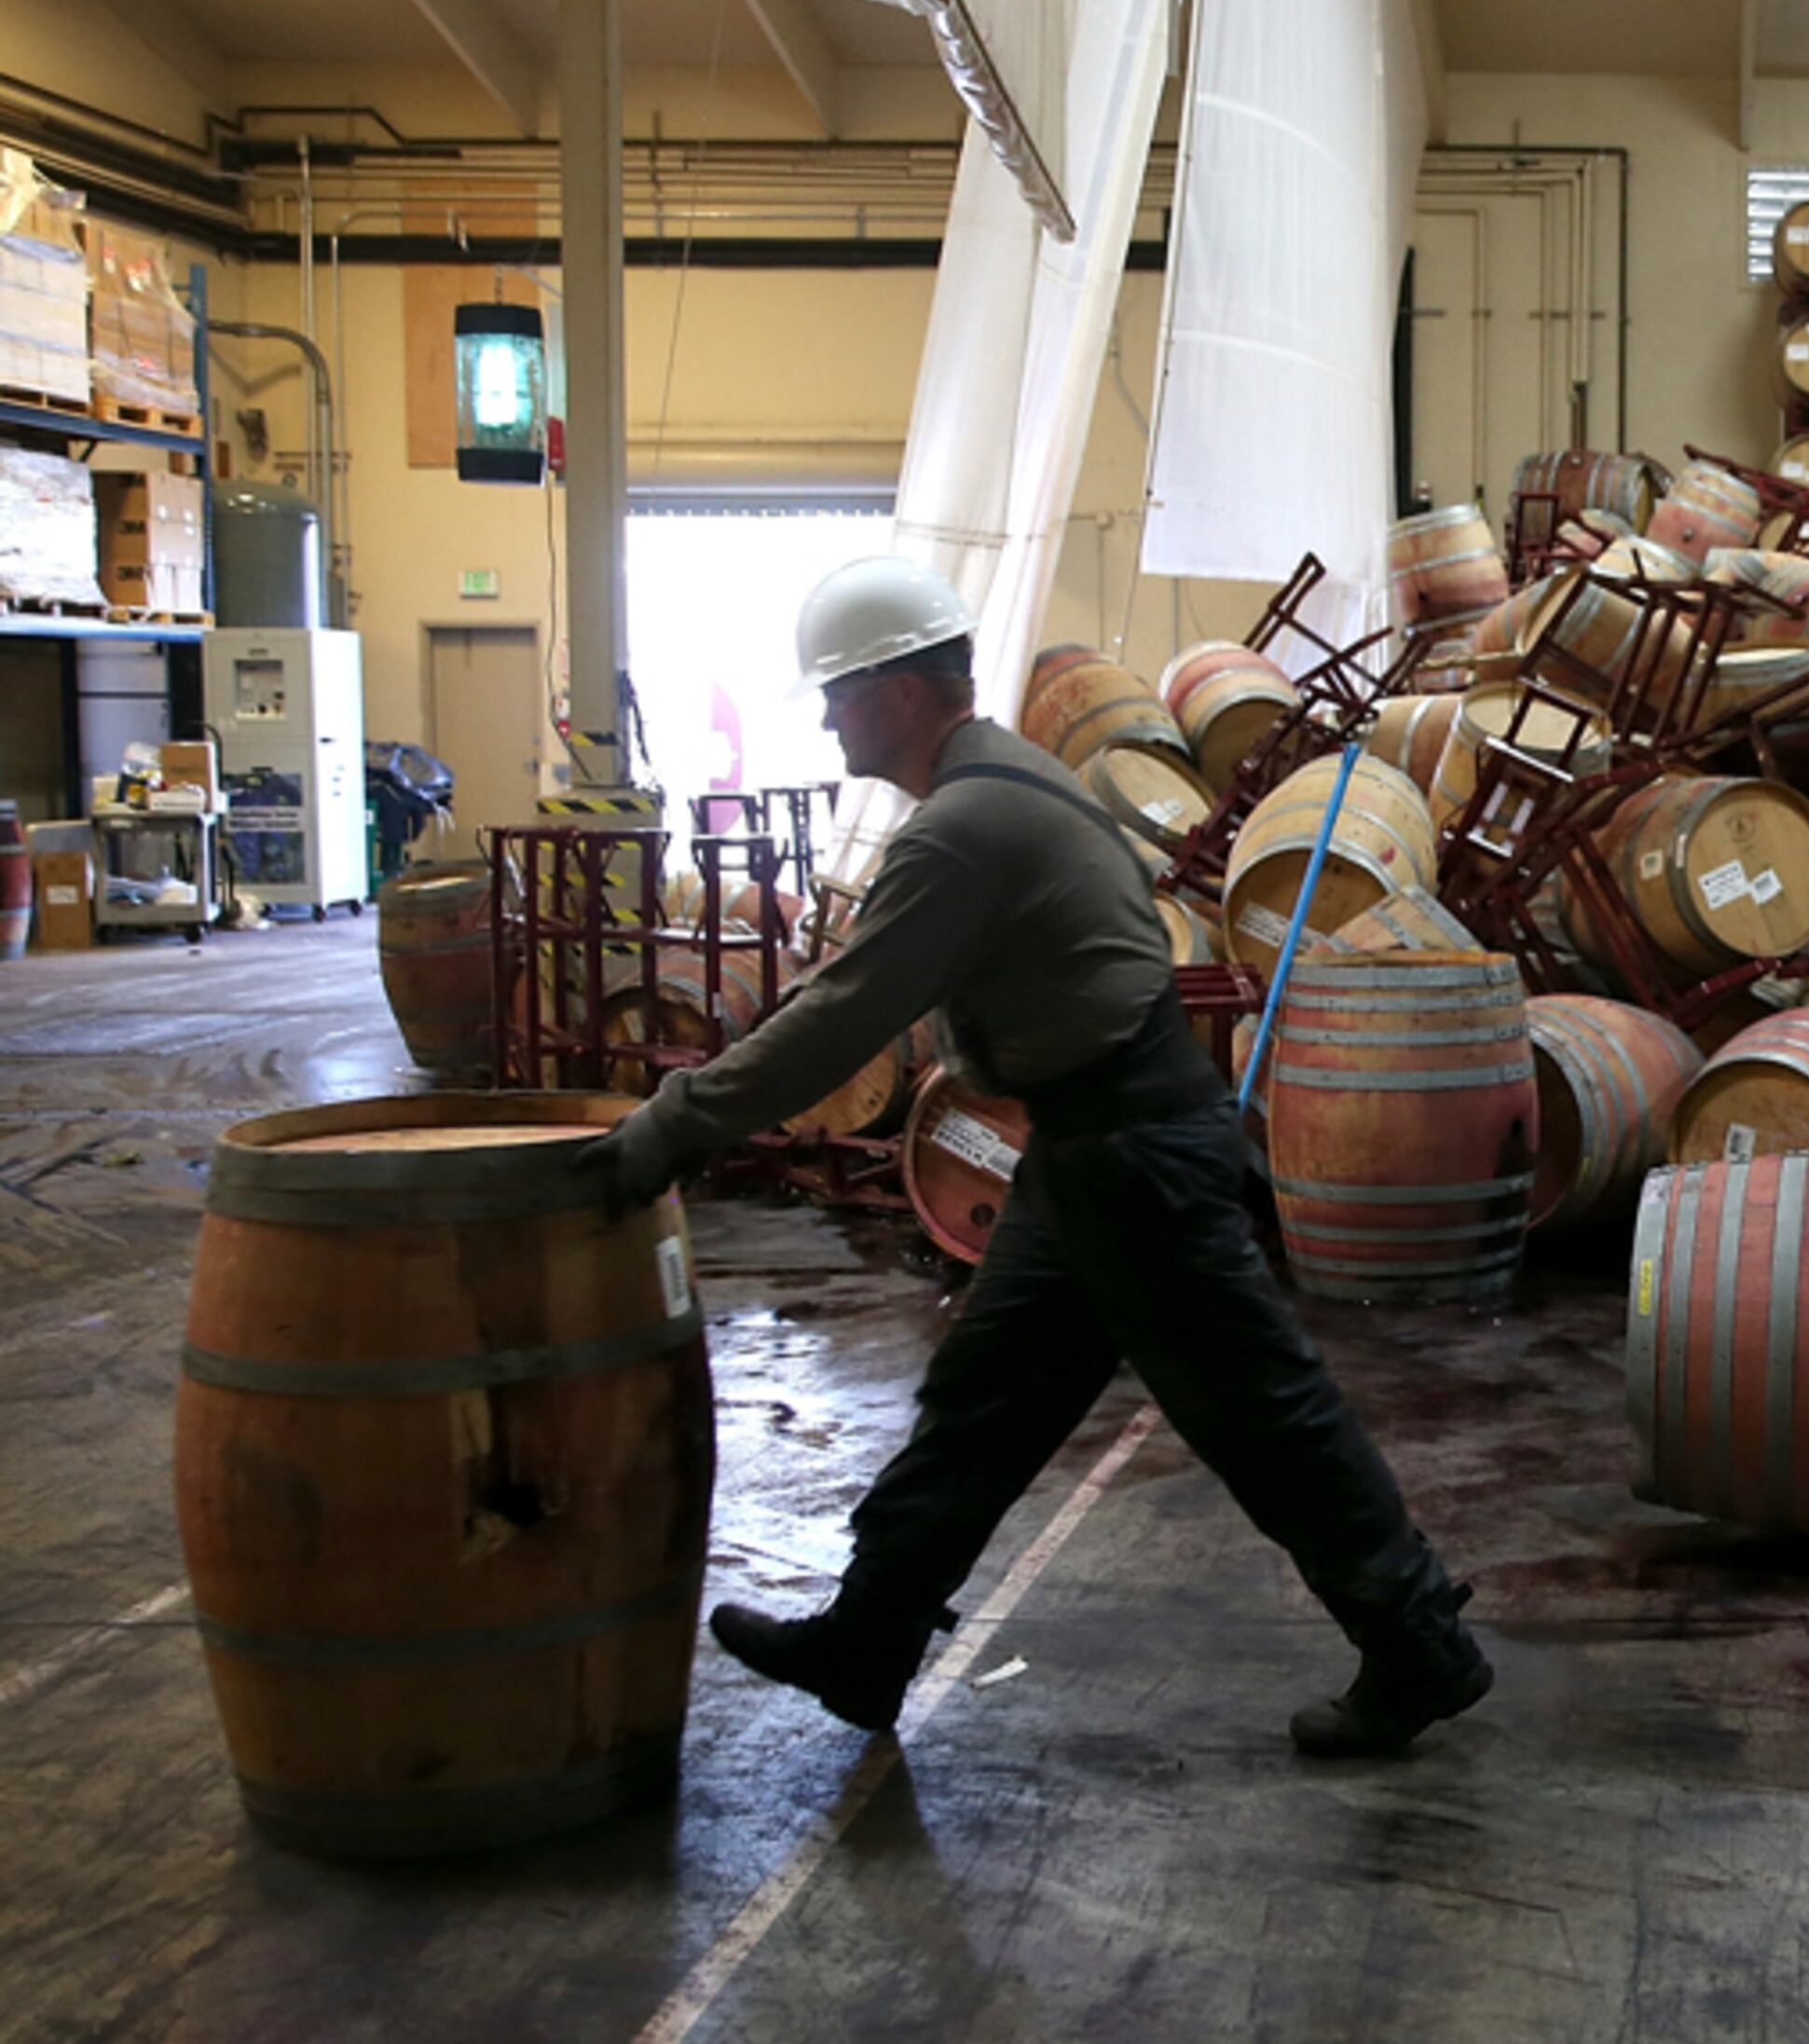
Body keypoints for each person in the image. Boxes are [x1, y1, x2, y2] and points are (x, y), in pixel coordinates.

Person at [576, 556, 1492, 1759]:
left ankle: (1420, 1641)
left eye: (841, 693)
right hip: (1097, 1143)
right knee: (983, 1404)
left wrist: (668, 1127)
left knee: (1261, 1413)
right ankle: (870, 1637)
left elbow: (837, 1020)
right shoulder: (1005, 778)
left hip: (1135, 1154)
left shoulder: (965, 827)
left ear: (906, 693)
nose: (827, 716)